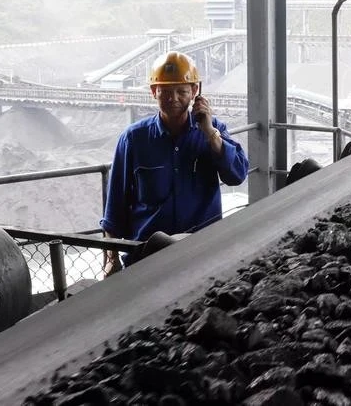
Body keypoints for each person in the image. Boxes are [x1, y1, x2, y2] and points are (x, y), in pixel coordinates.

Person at [100, 51, 249, 275]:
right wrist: (111, 259)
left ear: (195, 92)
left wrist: (209, 133)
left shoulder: (213, 130)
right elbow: (115, 209)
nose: (173, 98)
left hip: (201, 253)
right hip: (147, 257)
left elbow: (237, 174)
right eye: (166, 92)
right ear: (153, 92)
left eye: (182, 91)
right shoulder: (134, 139)